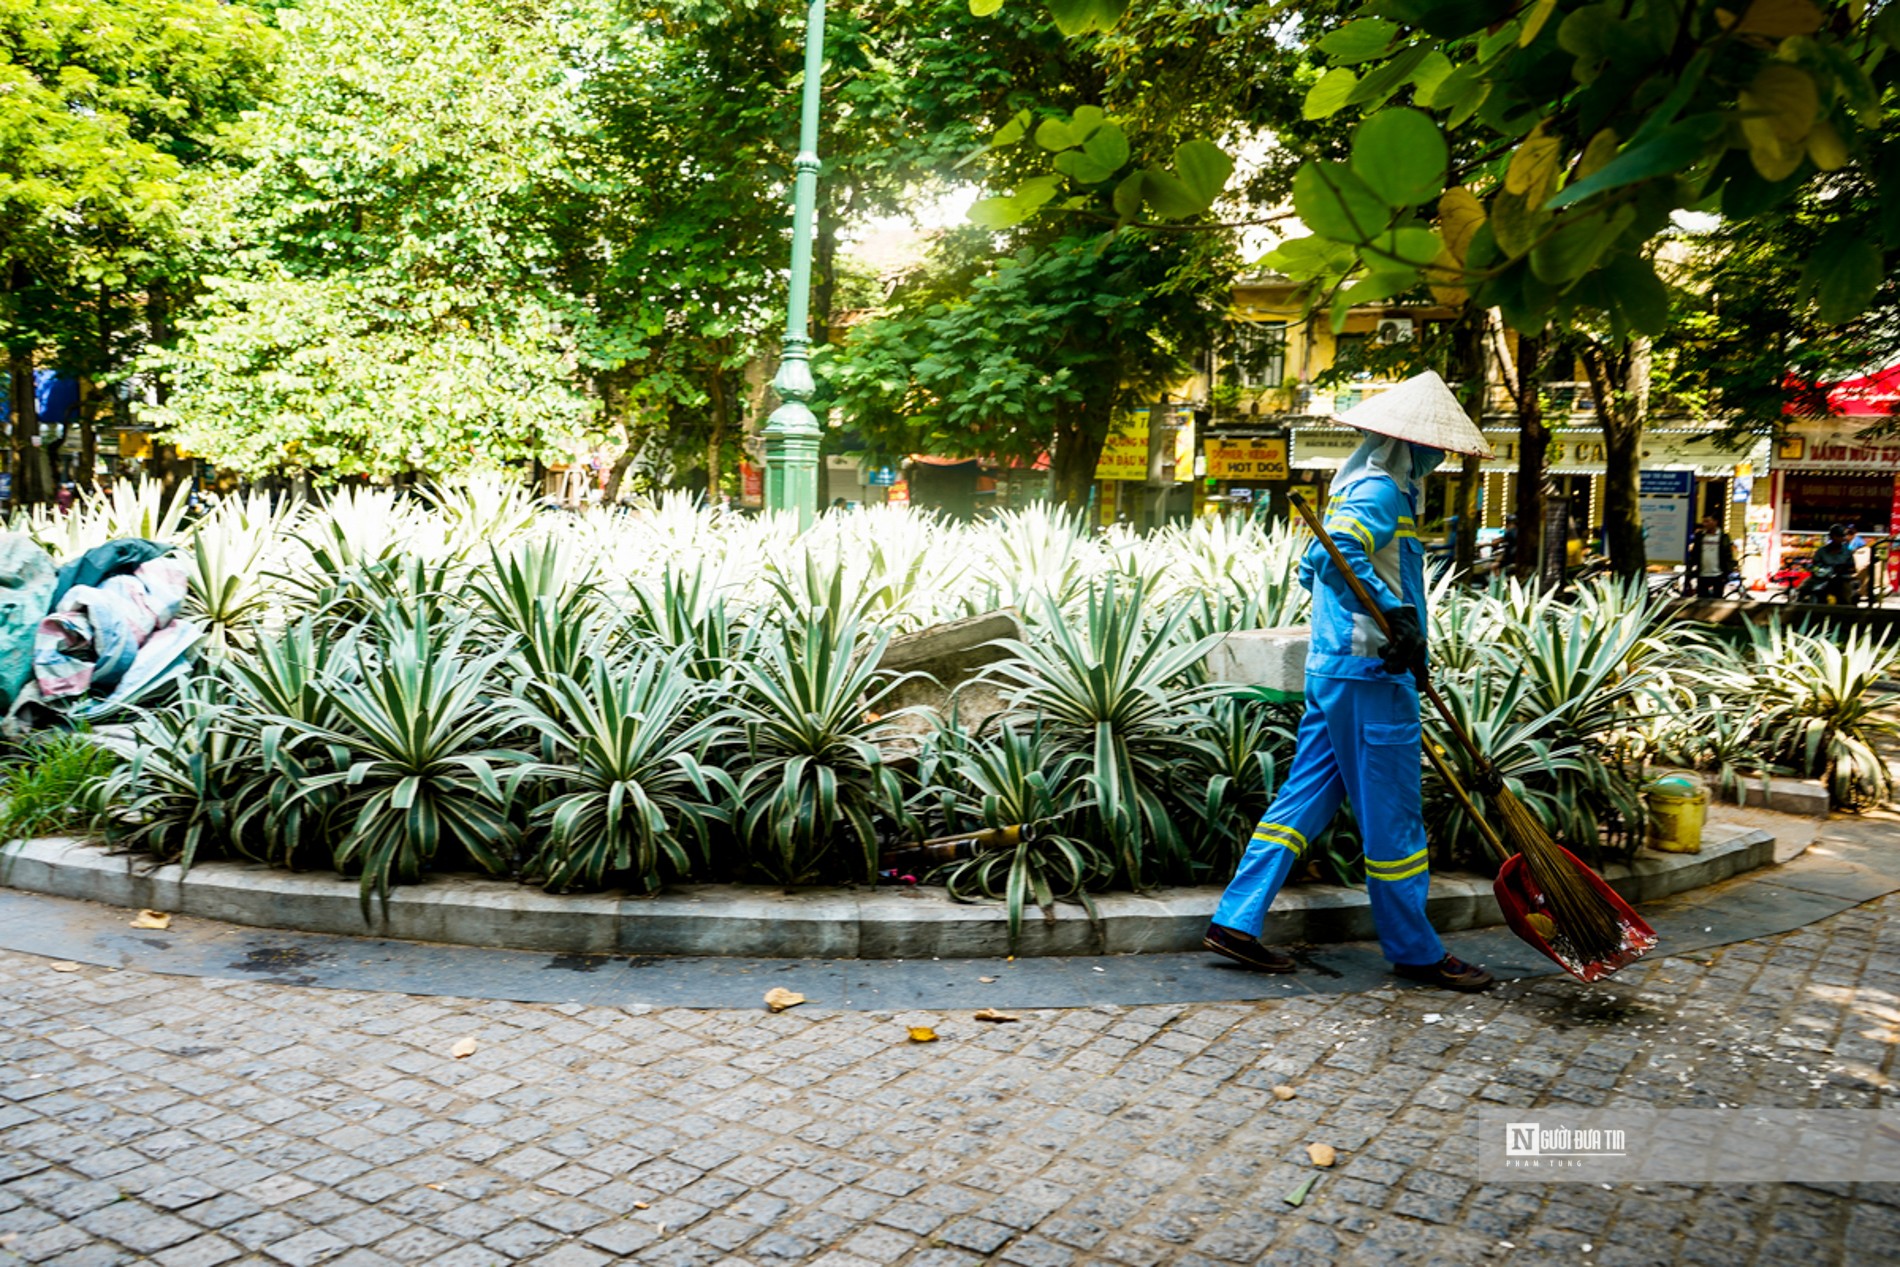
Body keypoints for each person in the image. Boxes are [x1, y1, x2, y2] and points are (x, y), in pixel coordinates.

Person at [1204, 370, 1496, 993]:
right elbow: (1329, 555)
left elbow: (1324, 574)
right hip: (1370, 674)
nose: (1439, 456)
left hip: (1339, 668)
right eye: (1434, 446)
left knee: (1304, 798)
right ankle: (1415, 951)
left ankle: (1235, 919)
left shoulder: (1360, 484)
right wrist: (1394, 617)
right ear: (1411, 444)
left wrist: (1398, 625)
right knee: (1394, 818)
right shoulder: (1384, 491)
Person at [1800, 523, 1859, 604]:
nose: (1840, 539)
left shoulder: (1846, 552)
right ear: (1832, 537)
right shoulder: (1822, 551)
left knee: (1848, 595)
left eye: (1841, 537)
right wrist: (1818, 570)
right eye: (1837, 536)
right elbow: (1815, 565)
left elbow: (1852, 568)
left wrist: (1843, 570)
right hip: (1821, 579)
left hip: (1841, 580)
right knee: (1803, 588)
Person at [1685, 515, 1737, 599]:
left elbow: (1728, 555)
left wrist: (1728, 571)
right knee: (1701, 600)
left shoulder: (1723, 537)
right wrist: (1690, 569)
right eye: (1704, 521)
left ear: (1715, 522)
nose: (1705, 524)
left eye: (1707, 521)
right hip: (1703, 574)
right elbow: (1694, 554)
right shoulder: (1700, 536)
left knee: (1717, 599)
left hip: (1718, 574)